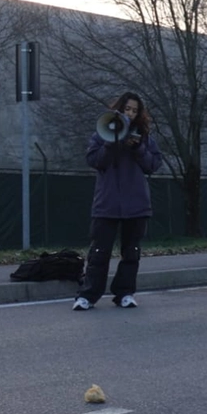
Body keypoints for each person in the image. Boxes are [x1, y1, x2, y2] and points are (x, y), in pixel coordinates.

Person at [74, 92, 164, 310]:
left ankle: (125, 293)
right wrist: (111, 143)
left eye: (134, 111)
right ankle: (88, 295)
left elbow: (152, 165)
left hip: (136, 205)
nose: (130, 114)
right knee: (98, 253)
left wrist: (137, 148)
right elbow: (94, 161)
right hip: (107, 204)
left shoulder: (144, 137)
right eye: (127, 110)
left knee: (131, 252)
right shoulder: (101, 134)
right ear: (119, 110)